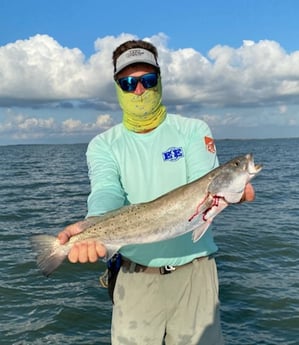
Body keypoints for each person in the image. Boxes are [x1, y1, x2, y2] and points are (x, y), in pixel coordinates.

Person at [58, 40, 255, 344]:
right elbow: (107, 190)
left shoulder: (193, 130)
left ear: (160, 81)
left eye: (148, 80)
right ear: (117, 87)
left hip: (195, 276)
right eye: (128, 83)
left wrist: (235, 189)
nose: (139, 90)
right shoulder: (103, 144)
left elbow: (204, 181)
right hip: (135, 279)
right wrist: (91, 225)